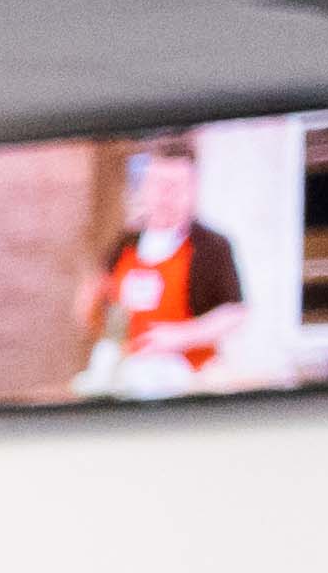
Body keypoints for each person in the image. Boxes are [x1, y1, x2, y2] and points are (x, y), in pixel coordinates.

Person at [78, 132, 251, 398]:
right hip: (129, 374)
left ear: (192, 189)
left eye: (176, 186)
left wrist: (182, 335)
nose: (166, 196)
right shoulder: (125, 244)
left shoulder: (212, 246)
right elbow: (94, 301)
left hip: (192, 378)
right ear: (144, 187)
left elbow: (234, 312)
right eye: (159, 185)